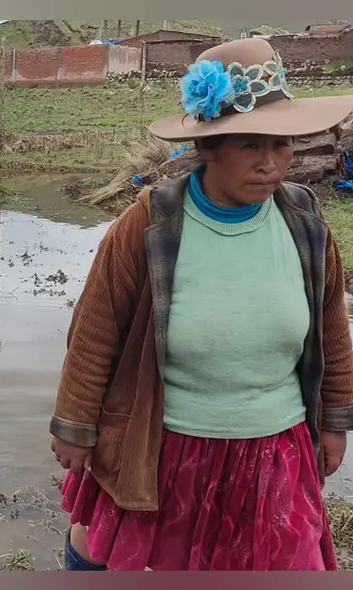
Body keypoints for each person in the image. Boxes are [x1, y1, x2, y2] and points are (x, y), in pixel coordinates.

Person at [50, 37, 353, 571]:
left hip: (274, 450)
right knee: (102, 550)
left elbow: (332, 328)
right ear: (209, 147)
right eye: (250, 145)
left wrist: (334, 421)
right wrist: (75, 427)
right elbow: (96, 331)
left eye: (282, 145)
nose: (270, 163)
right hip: (166, 443)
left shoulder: (304, 222)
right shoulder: (150, 224)